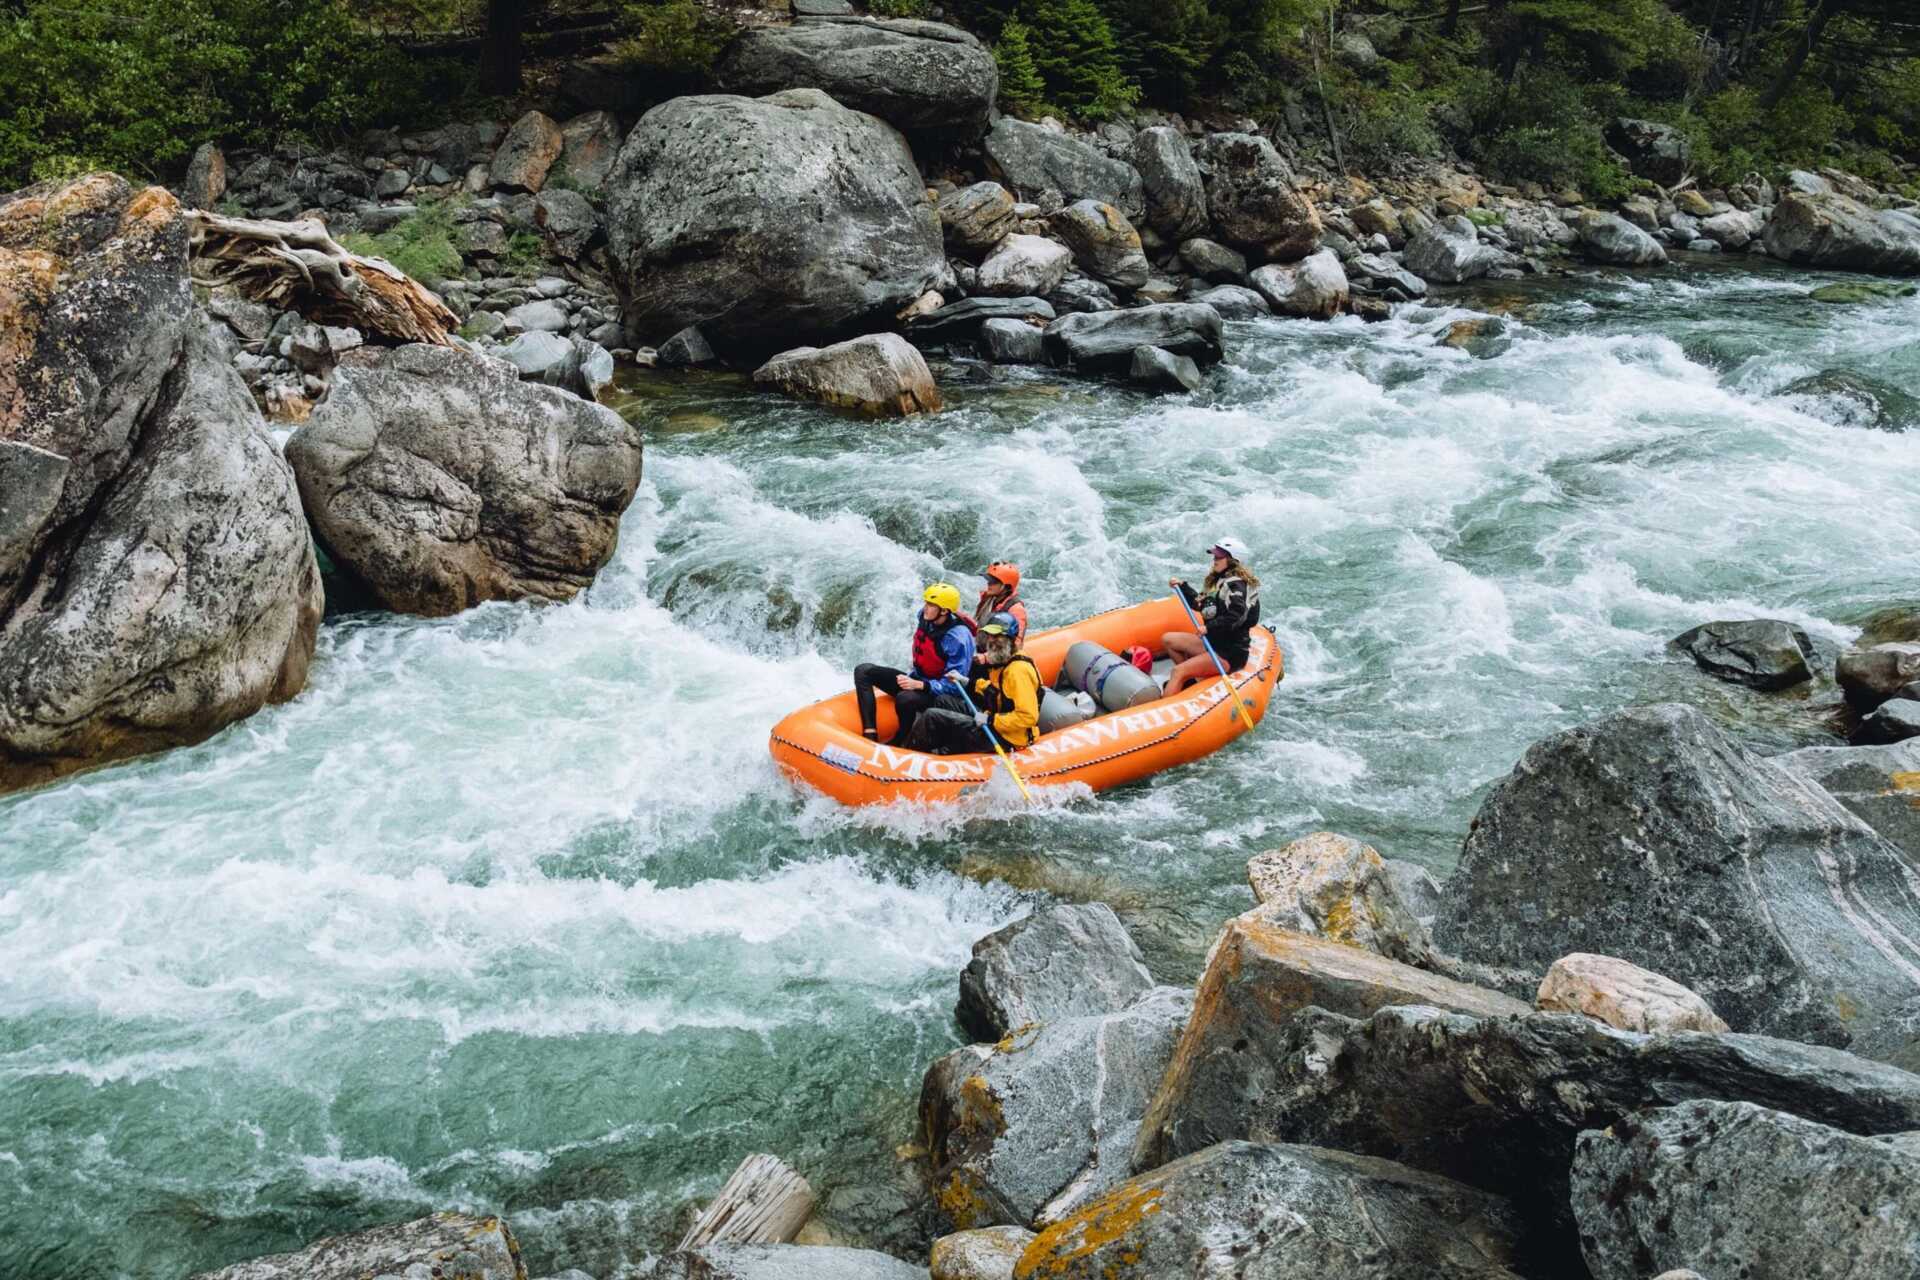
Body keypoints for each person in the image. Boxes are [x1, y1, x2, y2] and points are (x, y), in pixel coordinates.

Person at [854, 582, 977, 745]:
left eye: (931, 605)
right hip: (917, 679)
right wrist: (915, 681)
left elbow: (956, 685)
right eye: (926, 602)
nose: (925, 607)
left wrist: (921, 685)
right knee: (863, 671)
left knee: (905, 698)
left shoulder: (957, 638)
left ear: (944, 611)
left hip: (940, 695)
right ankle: (870, 734)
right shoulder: (925, 617)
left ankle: (903, 737)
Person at [906, 622, 1041, 756]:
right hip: (994, 719)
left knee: (932, 716)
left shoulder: (1018, 672)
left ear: (1010, 640)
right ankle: (939, 745)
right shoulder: (1004, 660)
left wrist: (990, 720)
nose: (991, 641)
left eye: (997, 637)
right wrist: (966, 681)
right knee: (942, 700)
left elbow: (1027, 717)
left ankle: (910, 756)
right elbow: (994, 690)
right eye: (990, 636)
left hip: (1008, 737)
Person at [1164, 537, 1261, 695]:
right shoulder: (1218, 581)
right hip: (1213, 643)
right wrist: (1182, 587)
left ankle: (1172, 697)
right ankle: (1190, 684)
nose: (1214, 560)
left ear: (1233, 560)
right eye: (1214, 556)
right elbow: (1200, 604)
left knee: (1177, 671)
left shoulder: (1237, 586)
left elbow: (1236, 616)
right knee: (1168, 640)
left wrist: (1209, 627)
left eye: (1219, 557)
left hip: (1229, 653)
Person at [973, 561, 1028, 642]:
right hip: (983, 647)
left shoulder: (1016, 609)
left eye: (993, 582)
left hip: (997, 651)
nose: (988, 584)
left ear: (1006, 586)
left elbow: (1017, 641)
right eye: (988, 580)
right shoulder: (989, 599)